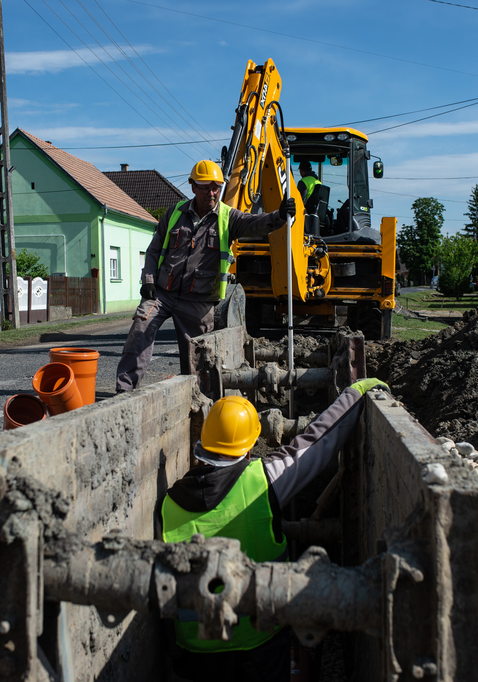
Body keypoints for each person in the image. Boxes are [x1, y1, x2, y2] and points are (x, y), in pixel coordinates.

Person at [160, 377, 389, 682]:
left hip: (195, 658)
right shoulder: (262, 482)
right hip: (260, 650)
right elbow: (317, 444)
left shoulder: (168, 505)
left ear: (203, 442)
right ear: (251, 444)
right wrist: (358, 391)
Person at [115, 160, 296, 393]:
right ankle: (124, 392)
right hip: (162, 294)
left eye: (216, 187)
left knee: (197, 357)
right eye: (205, 187)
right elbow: (153, 250)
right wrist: (148, 281)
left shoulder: (228, 218)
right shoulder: (174, 213)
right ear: (193, 187)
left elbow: (256, 224)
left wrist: (279, 216)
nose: (212, 192)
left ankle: (193, 397)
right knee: (140, 327)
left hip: (198, 301)